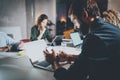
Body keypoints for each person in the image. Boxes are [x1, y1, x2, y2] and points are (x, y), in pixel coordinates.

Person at [44, 0, 120, 80]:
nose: (75, 27)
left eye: (74, 21)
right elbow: (97, 59)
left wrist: (54, 61)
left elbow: (70, 77)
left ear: (84, 14)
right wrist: (70, 57)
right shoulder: (111, 27)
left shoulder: (93, 38)